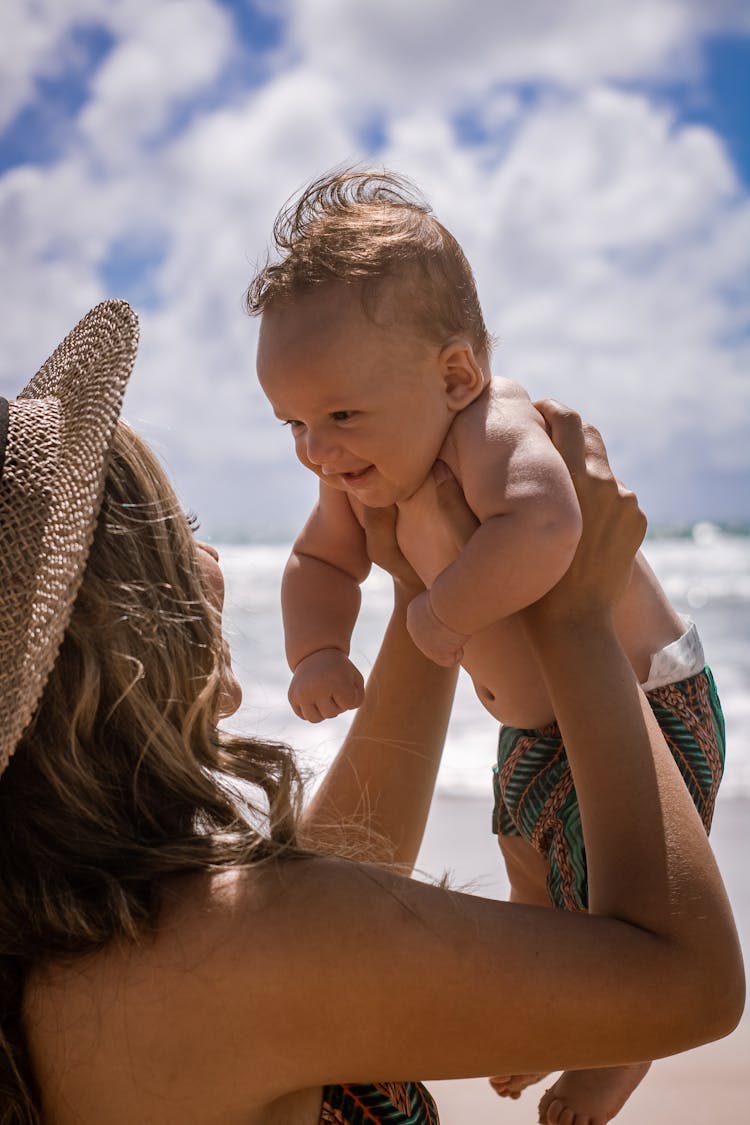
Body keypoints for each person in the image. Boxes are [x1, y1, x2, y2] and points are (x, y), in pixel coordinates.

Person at [0, 300, 742, 1125]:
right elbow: (691, 983)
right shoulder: (243, 950)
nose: (208, 555)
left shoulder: (83, 960)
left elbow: (349, 863)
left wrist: (425, 575)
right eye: (182, 531)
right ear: (123, 619)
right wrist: (576, 615)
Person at [248, 169, 728, 1124]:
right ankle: (557, 1003)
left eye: (340, 414)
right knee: (523, 858)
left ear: (455, 375)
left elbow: (552, 527)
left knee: (605, 897)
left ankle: (616, 1052)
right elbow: (318, 562)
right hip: (537, 726)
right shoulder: (357, 471)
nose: (316, 448)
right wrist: (316, 653)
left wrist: (439, 616)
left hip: (642, 707)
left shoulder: (492, 427)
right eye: (294, 423)